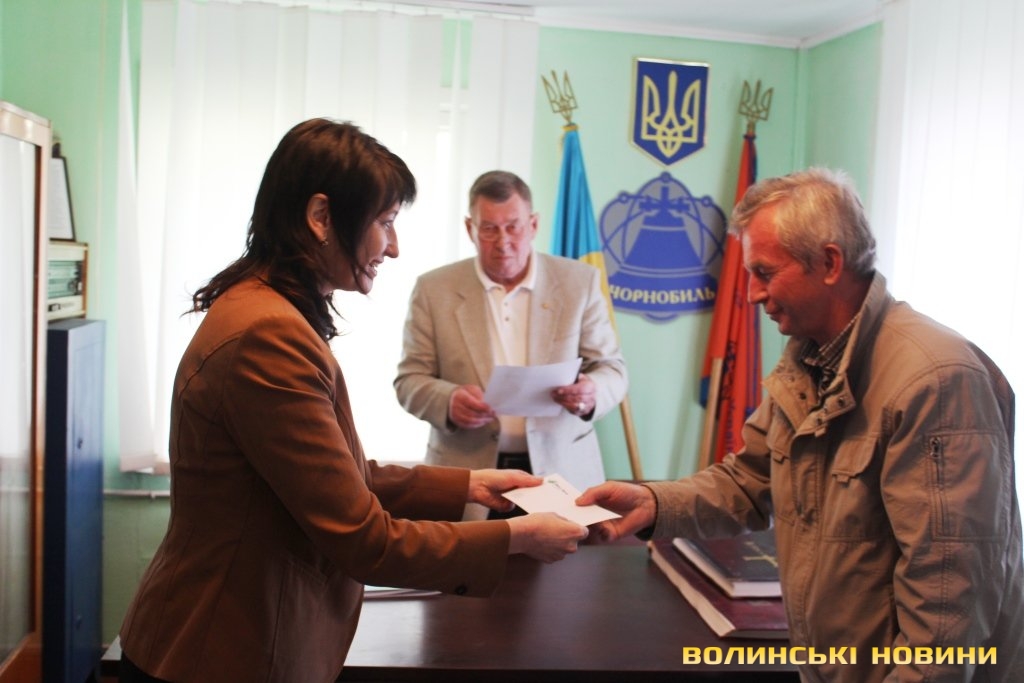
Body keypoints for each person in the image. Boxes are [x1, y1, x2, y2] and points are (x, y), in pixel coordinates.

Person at [116, 120, 589, 683]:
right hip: (222, 650)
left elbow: (336, 474)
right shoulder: (269, 335)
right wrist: (518, 537)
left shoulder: (265, 308)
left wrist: (468, 484)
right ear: (321, 217)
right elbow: (365, 539)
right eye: (385, 222)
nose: (394, 246)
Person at [578, 167, 1024, 683]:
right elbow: (747, 482)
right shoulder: (811, 360)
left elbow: (948, 602)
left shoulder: (936, 380)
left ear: (830, 263)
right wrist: (653, 503)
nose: (751, 294)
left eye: (765, 273)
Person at [394, 170, 628, 519]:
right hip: (468, 476)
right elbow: (409, 380)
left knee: (564, 558)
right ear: (470, 228)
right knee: (467, 558)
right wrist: (448, 400)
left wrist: (592, 391)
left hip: (562, 473)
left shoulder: (579, 282)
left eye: (513, 227)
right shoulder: (434, 289)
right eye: (489, 228)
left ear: (533, 225)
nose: (503, 242)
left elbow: (613, 369)